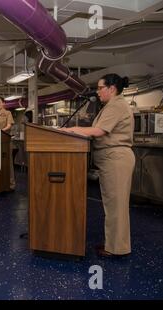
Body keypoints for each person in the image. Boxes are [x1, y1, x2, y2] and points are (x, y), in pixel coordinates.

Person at [61, 74, 134, 257]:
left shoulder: (116, 105)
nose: (98, 91)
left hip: (116, 158)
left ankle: (117, 249)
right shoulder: (111, 105)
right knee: (113, 205)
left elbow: (99, 131)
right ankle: (114, 244)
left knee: (116, 206)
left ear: (111, 88)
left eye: (101, 88)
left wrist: (70, 129)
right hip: (111, 159)